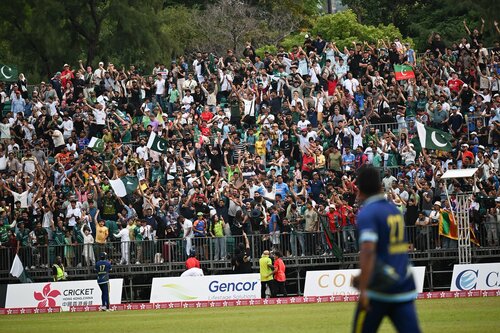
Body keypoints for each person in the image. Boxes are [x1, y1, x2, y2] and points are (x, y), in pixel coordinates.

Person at [352, 166, 421, 333]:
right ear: (379, 186)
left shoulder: (367, 213)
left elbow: (368, 251)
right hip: (403, 285)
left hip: (378, 290)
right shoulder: (393, 210)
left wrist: (363, 288)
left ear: (359, 191)